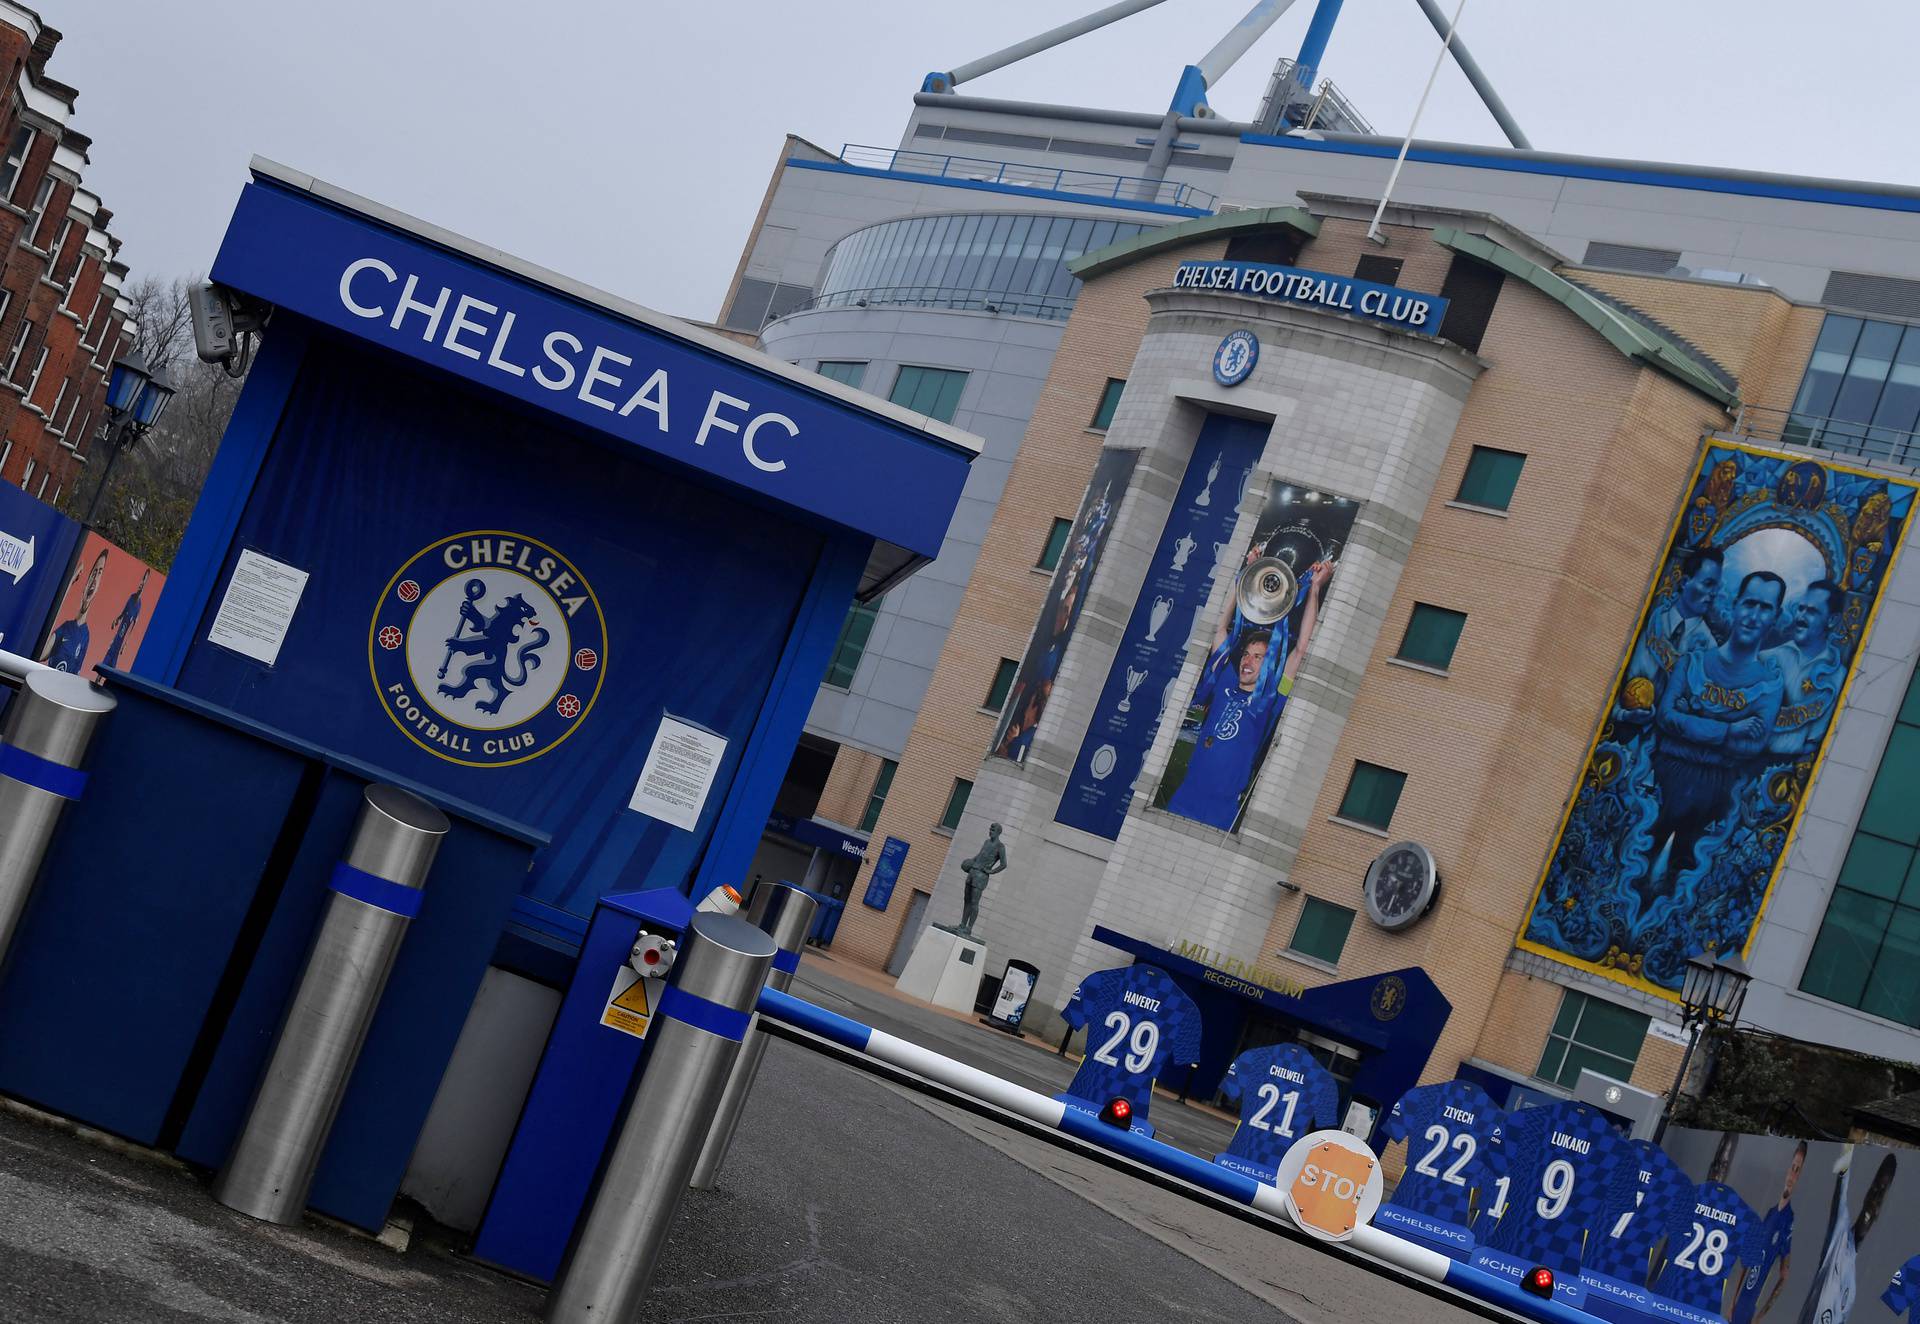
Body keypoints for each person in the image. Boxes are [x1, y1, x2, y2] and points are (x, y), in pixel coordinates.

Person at [1165, 555, 1332, 830]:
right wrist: (1243, 574)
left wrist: (1314, 589)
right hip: (1184, 797)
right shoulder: (1225, 683)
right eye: (1246, 654)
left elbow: (1301, 649)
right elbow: (1220, 627)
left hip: (1221, 811)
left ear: (1270, 665)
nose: (1247, 661)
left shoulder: (1273, 698)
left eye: (1258, 657)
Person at [1645, 571, 1788, 888]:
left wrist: (1691, 723)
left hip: (1717, 795)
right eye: (1749, 603)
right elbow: (1666, 717)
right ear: (1735, 606)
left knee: (1680, 885)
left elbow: (1753, 745)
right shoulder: (1691, 662)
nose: (1753, 615)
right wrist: (1730, 729)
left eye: (1765, 608)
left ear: (1775, 616)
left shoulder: (1770, 684)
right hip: (1662, 778)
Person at [1618, 547, 1724, 731]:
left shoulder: (1709, 647)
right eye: (1708, 584)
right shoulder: (1651, 617)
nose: (1713, 593)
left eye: (1716, 587)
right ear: (1684, 582)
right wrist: (1622, 714)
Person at [1800, 1146, 1898, 1324]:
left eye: (1881, 1196)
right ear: (1867, 1193)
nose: (1874, 1203)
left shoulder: (1851, 1287)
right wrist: (1849, 1146)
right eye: (1876, 1190)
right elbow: (1841, 1187)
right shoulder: (1840, 1235)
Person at [1761, 580, 1846, 764]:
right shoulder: (1767, 658)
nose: (1801, 616)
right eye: (1801, 608)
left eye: (1812, 611)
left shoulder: (1839, 677)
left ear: (1832, 620)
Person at [1732, 1140, 1805, 1324]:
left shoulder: (1788, 1220)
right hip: (1738, 1305)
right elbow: (1749, 1257)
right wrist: (1733, 1301)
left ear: (1799, 1176)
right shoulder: (1771, 1212)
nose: (1792, 1175)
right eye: (1792, 1167)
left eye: (1798, 1170)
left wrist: (1760, 1316)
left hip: (1750, 1310)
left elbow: (1784, 1275)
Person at [40, 547, 109, 674]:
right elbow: (41, 654)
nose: (94, 579)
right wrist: (70, 581)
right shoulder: (65, 628)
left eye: (99, 573)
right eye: (94, 572)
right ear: (86, 583)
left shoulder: (86, 636)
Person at [99, 567, 150, 671]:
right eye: (142, 578)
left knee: (114, 659)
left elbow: (133, 627)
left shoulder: (139, 605)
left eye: (144, 580)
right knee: (109, 651)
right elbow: (123, 612)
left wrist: (126, 644)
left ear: (145, 584)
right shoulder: (131, 597)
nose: (141, 582)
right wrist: (116, 620)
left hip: (122, 639)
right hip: (118, 634)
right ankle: (100, 674)